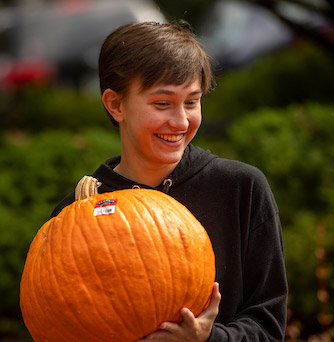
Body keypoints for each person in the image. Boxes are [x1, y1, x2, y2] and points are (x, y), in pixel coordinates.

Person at [51, 21, 288, 342]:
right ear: (116, 104)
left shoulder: (241, 188)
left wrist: (207, 339)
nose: (180, 121)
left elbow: (269, 327)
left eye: (191, 102)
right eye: (162, 104)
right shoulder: (73, 215)